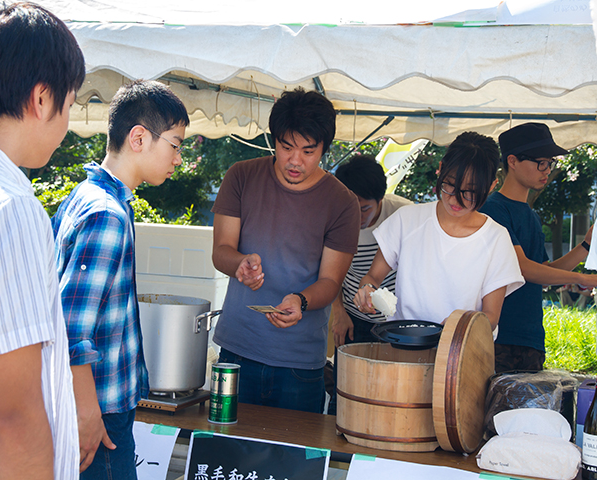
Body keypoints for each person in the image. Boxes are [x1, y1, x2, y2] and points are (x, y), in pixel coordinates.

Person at [0, 3, 85, 479]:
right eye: (69, 105)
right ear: (41, 97)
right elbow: (14, 416)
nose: (67, 123)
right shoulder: (5, 206)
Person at [52, 80, 188, 479]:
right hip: (99, 410)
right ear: (140, 138)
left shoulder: (85, 196)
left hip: (95, 404)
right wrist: (87, 412)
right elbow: (71, 327)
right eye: (176, 144)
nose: (178, 158)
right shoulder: (106, 215)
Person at [211, 88, 360, 414]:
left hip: (300, 364)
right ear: (273, 139)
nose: (295, 160)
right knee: (227, 452)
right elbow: (221, 250)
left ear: (324, 148)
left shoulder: (342, 203)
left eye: (308, 151)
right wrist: (240, 264)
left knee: (290, 462)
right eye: (286, 146)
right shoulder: (242, 176)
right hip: (237, 351)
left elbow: (330, 282)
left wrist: (301, 301)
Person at [354, 132, 524, 331]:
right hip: (403, 345)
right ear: (441, 169)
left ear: (491, 186)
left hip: (461, 353)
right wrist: (367, 291)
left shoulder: (496, 238)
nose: (456, 200)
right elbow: (373, 277)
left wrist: (458, 326)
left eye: (470, 192)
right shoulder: (406, 220)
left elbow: (491, 316)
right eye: (450, 185)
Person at [479, 122, 597, 373]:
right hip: (501, 336)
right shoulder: (493, 209)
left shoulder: (530, 215)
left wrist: (586, 244)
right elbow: (522, 268)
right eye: (540, 162)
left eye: (550, 163)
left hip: (531, 338)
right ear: (512, 161)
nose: (547, 170)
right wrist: (585, 278)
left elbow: (543, 272)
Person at [332, 155, 413, 346]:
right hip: (354, 316)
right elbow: (330, 271)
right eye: (349, 209)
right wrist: (339, 312)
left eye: (365, 209)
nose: (356, 217)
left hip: (398, 319)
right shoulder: (332, 217)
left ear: (381, 198)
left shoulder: (403, 215)